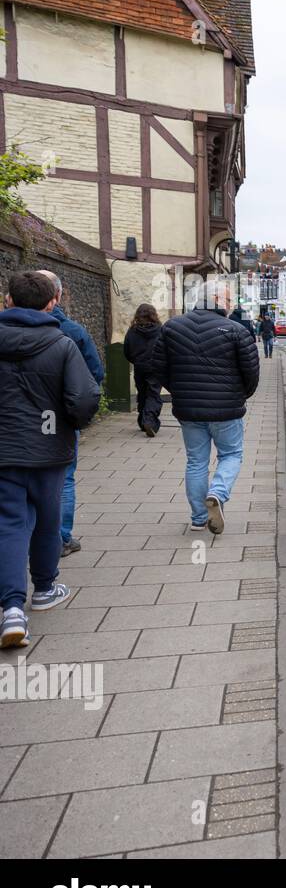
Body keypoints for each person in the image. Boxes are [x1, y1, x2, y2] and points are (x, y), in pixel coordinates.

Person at [0, 271, 100, 648]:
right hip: (48, 447)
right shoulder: (61, 344)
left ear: (7, 300)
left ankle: (12, 609)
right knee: (47, 517)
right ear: (52, 303)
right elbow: (85, 398)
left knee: (9, 522)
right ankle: (44, 589)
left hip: (4, 451)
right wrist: (70, 422)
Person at [150, 279, 259, 535]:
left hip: (188, 410)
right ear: (218, 300)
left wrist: (179, 391)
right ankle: (218, 493)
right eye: (230, 300)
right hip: (227, 410)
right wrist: (240, 395)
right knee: (231, 455)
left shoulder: (172, 327)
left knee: (196, 461)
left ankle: (199, 518)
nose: (232, 305)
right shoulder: (236, 330)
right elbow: (251, 373)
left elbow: (158, 368)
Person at [38, 271, 104, 559]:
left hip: (16, 423)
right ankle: (61, 538)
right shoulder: (73, 332)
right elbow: (95, 376)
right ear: (58, 296)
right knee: (63, 479)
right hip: (60, 418)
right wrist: (78, 415)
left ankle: (26, 537)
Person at [124, 303, 163, 437]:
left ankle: (142, 421)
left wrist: (136, 360)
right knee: (153, 394)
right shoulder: (160, 330)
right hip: (156, 367)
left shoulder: (132, 331)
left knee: (142, 393)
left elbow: (127, 351)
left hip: (139, 367)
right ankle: (149, 421)